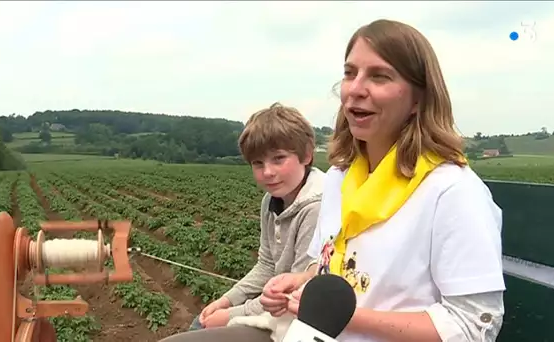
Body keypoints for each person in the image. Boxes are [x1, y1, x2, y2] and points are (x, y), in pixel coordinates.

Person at [160, 18, 506, 342]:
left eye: (380, 76)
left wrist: (346, 316)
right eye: (350, 73)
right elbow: (323, 265)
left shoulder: (452, 192)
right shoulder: (342, 176)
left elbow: (472, 325)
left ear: (418, 99)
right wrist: (298, 283)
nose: (355, 89)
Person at [186, 102, 326, 331]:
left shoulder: (316, 208)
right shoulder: (271, 201)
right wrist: (226, 300)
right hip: (276, 306)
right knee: (201, 323)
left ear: (307, 155)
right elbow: (267, 265)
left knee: (202, 328)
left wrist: (230, 315)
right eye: (258, 163)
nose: (268, 172)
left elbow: (295, 292)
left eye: (278, 159)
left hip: (298, 319)